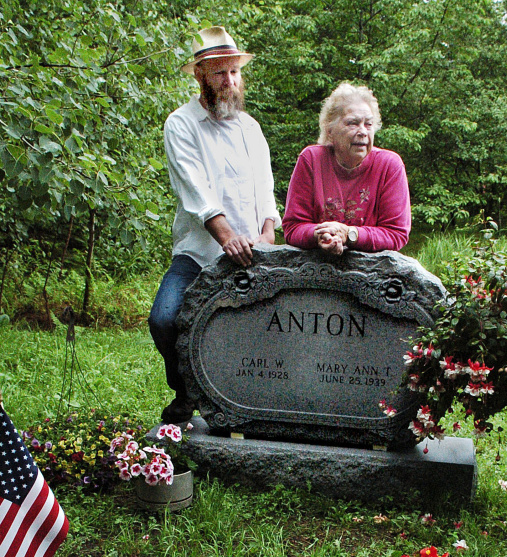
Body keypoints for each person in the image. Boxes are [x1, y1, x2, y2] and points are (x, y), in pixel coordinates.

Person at [149, 27, 280, 424]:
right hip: (199, 252)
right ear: (200, 75)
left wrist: (267, 235)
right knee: (165, 319)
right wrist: (226, 238)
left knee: (260, 330)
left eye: (235, 73)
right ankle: (187, 391)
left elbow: (265, 187)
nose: (230, 81)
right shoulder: (181, 123)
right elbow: (196, 191)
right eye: (220, 73)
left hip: (254, 254)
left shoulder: (250, 128)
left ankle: (252, 402)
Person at [282, 83, 410, 256]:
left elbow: (397, 234)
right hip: (315, 270)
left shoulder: (390, 165)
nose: (363, 131)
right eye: (353, 123)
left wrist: (350, 234)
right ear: (330, 131)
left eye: (368, 124)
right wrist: (320, 234)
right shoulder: (311, 159)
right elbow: (293, 227)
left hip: (374, 274)